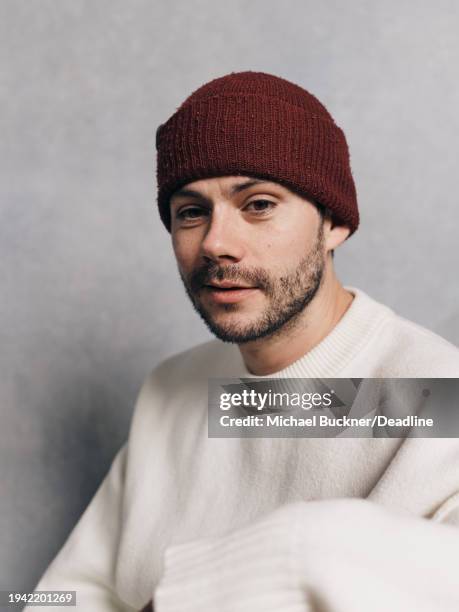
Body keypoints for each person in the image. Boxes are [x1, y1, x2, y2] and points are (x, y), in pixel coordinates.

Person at [27, 71, 459, 612]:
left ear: (335, 224)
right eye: (191, 212)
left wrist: (293, 557)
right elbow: (68, 595)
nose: (216, 244)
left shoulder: (435, 395)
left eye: (258, 204)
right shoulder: (173, 389)